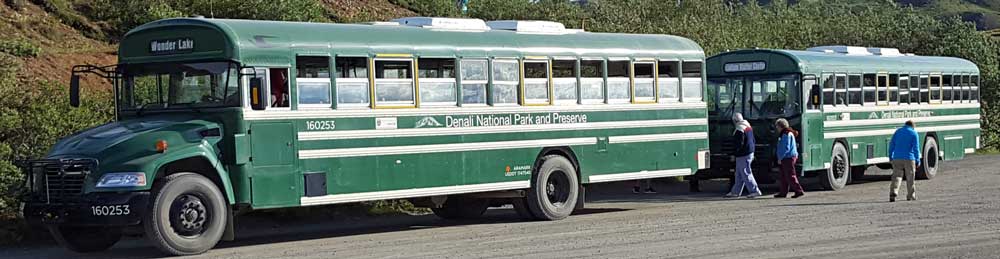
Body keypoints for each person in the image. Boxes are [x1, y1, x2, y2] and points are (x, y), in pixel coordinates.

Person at [725, 113, 762, 198]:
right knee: (739, 174)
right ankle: (735, 192)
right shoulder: (747, 126)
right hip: (749, 152)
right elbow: (753, 140)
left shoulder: (739, 129)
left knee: (746, 172)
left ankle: (755, 190)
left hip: (743, 154)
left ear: (734, 121)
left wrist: (734, 154)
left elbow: (738, 144)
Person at [889, 120, 921, 202]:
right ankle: (910, 195)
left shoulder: (898, 132)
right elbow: (916, 148)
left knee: (896, 176)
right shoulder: (914, 133)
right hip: (909, 158)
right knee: (910, 177)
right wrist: (918, 160)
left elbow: (892, 144)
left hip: (897, 157)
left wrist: (891, 156)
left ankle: (894, 192)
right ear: (912, 126)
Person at [773, 118, 804, 198]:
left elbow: (785, 147)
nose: (777, 128)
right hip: (789, 156)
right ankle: (783, 192)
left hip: (787, 157)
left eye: (777, 126)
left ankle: (798, 190)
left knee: (790, 175)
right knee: (784, 175)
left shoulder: (785, 134)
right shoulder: (789, 133)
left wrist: (780, 157)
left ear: (780, 126)